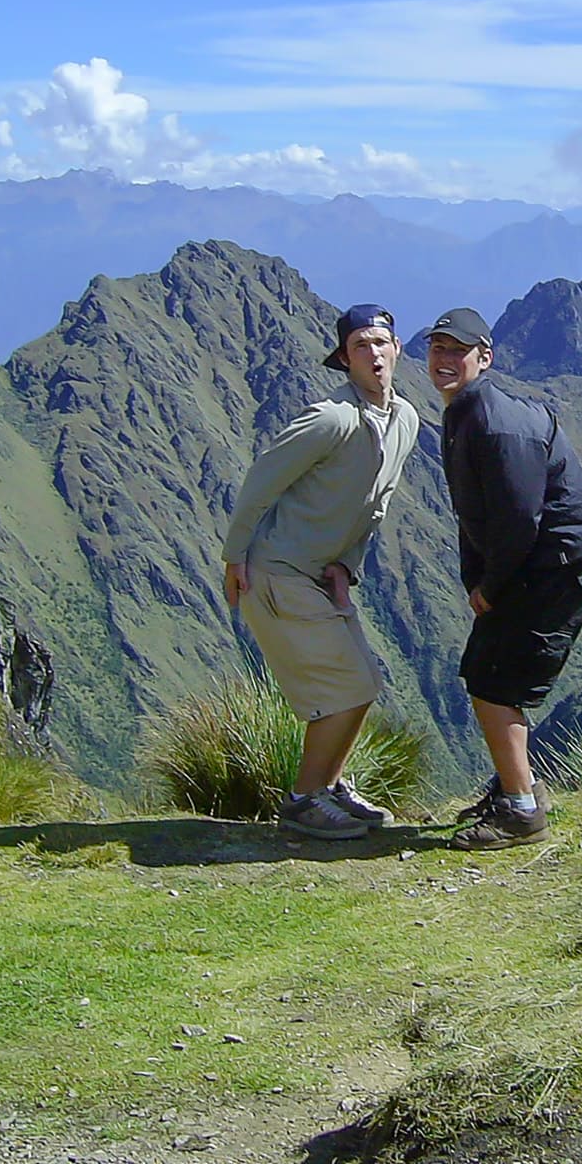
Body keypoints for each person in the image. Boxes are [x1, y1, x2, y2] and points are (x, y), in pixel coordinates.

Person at [221, 304, 420, 840]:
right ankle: (304, 801)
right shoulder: (331, 419)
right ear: (345, 359)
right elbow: (262, 481)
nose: (373, 354)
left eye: (380, 343)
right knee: (347, 687)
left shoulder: (404, 420)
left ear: (397, 350)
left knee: (365, 683)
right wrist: (234, 557)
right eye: (360, 346)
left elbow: (376, 504)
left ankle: (329, 787)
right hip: (277, 572)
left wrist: (346, 566)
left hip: (319, 574)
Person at [426, 306, 582, 850]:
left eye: (458, 350)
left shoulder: (496, 424)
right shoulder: (466, 411)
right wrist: (476, 579)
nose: (444, 358)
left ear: (484, 358)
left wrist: (490, 588)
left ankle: (522, 810)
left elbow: (516, 522)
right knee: (487, 673)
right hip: (538, 563)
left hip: (555, 566)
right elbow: (475, 512)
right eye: (437, 348)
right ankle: (518, 785)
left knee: (494, 684)